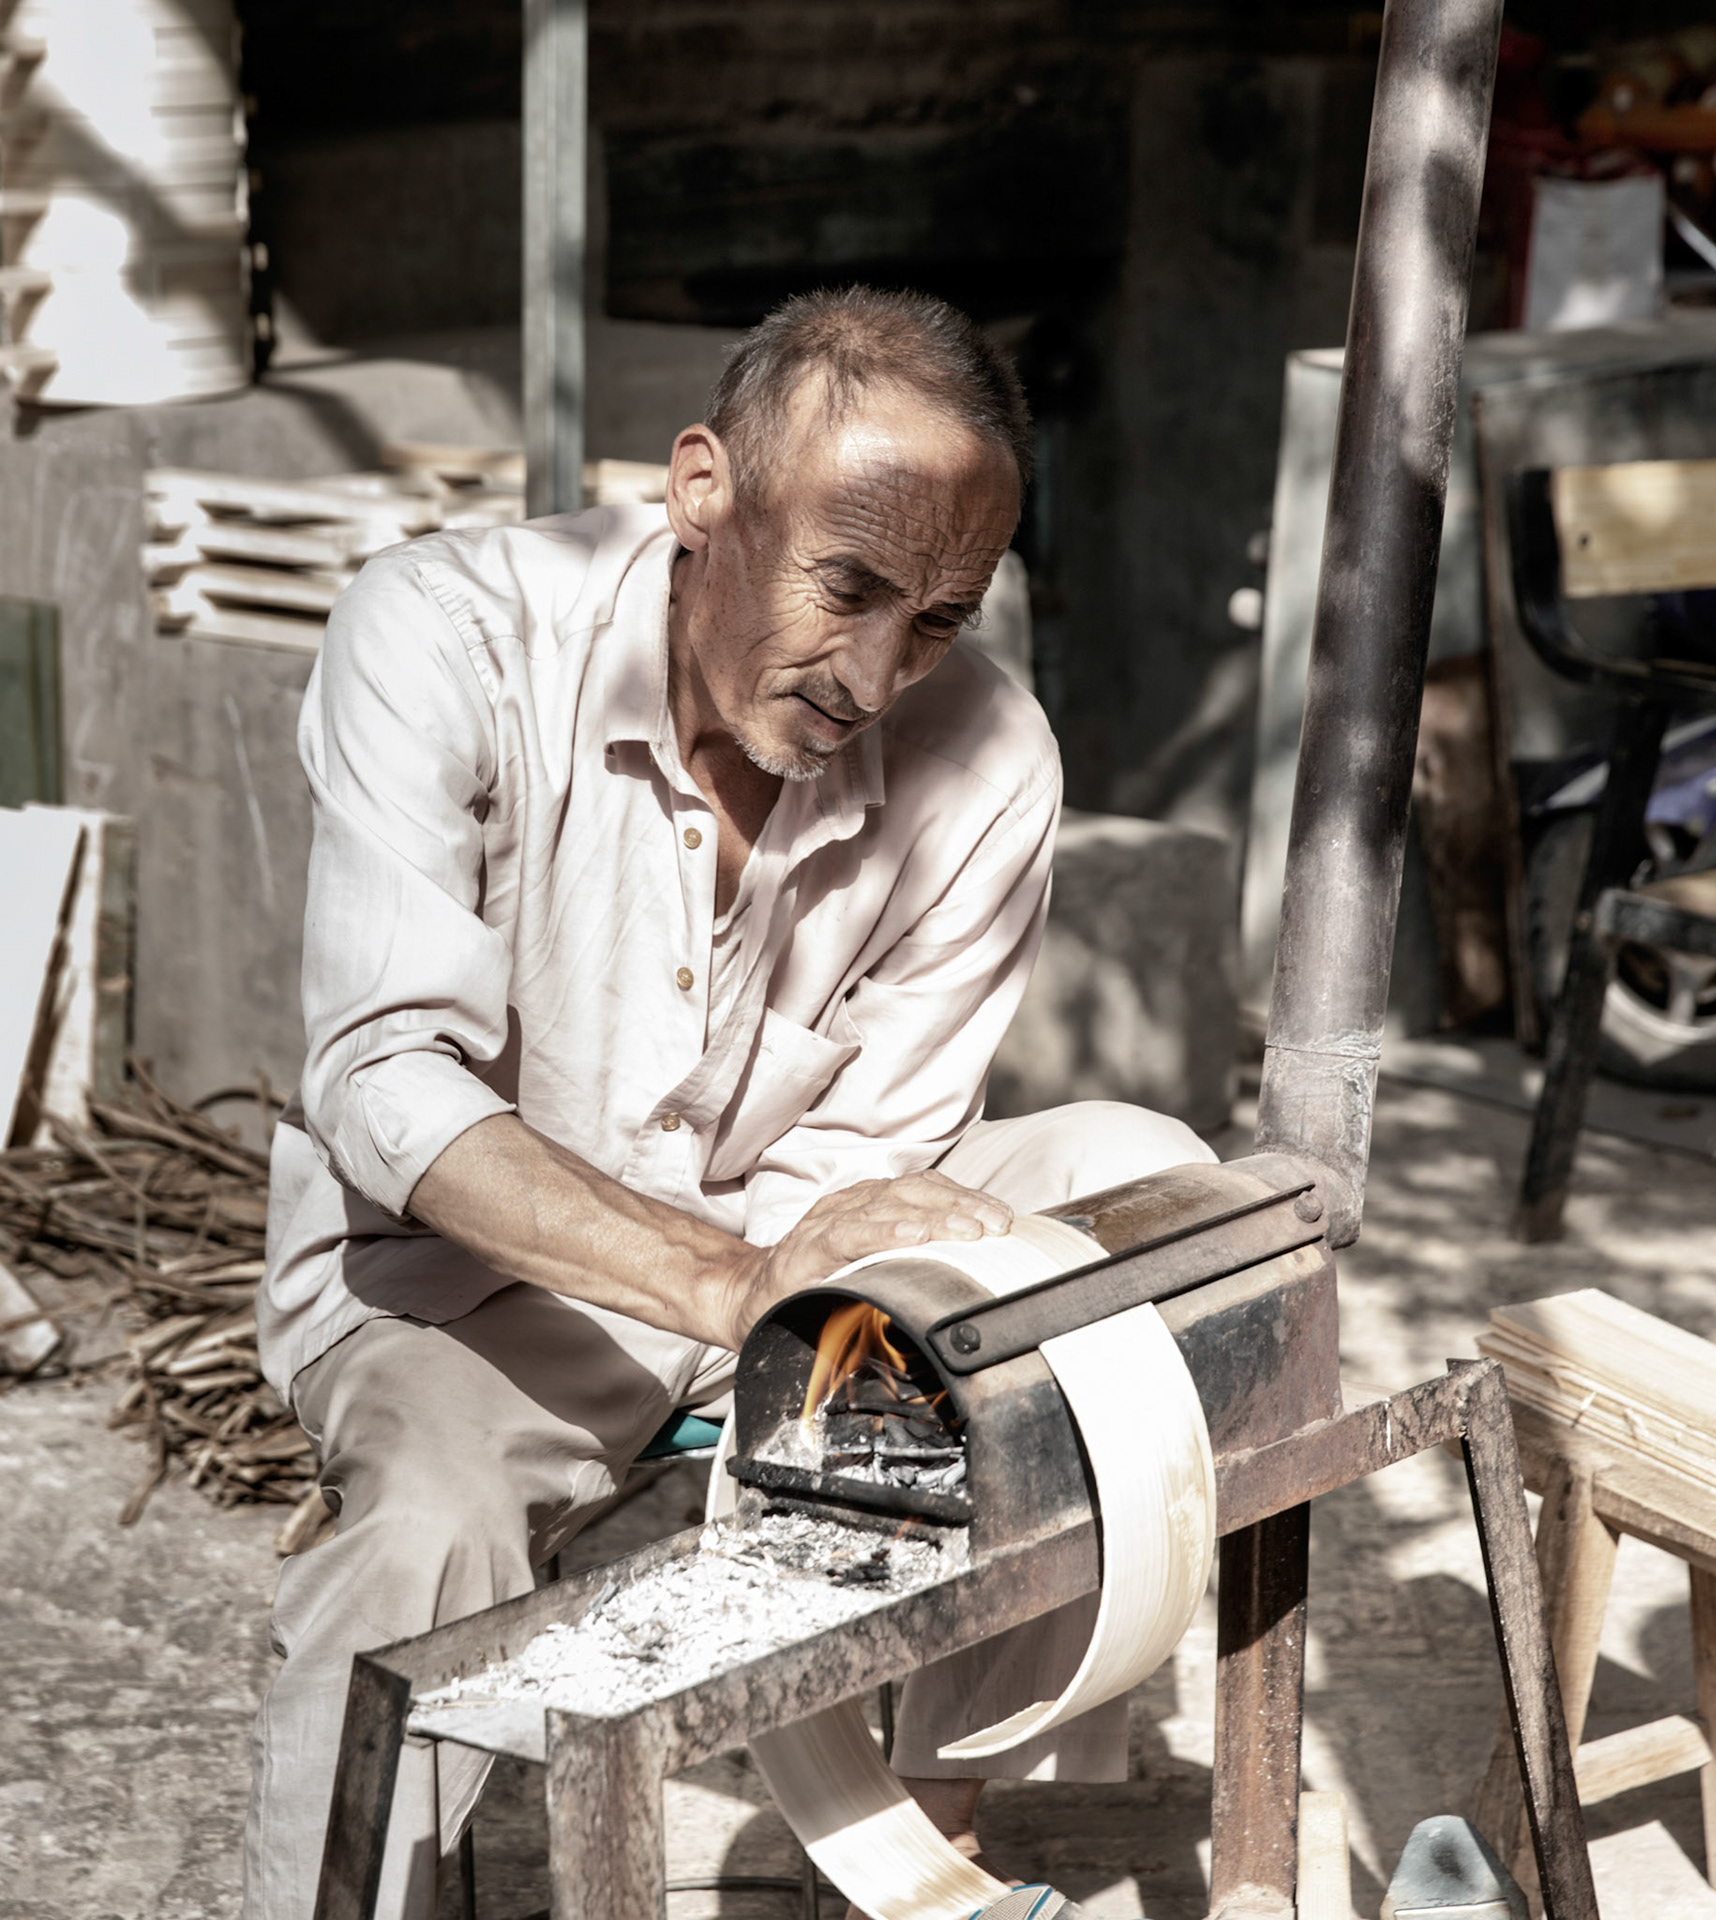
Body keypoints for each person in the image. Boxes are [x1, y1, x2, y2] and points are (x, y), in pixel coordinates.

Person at [245, 286, 1214, 1920]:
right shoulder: (447, 633)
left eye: (935, 621)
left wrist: (810, 1290)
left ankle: (924, 1833)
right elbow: (383, 1079)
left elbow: (872, 1155)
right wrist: (728, 1287)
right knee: (427, 1525)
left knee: (1144, 1196)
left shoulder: (988, 754)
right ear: (704, 490)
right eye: (846, 586)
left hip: (792, 1247)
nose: (872, 672)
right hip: (475, 1297)